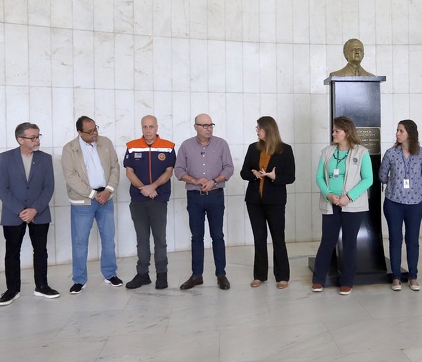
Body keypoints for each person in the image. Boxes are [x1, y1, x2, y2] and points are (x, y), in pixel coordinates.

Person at [0, 122, 58, 305]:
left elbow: (49, 187)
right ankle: (12, 290)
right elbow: (2, 188)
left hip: (40, 213)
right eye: (33, 137)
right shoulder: (6, 158)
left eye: (38, 136)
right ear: (20, 139)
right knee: (12, 252)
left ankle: (42, 286)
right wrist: (21, 211)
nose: (37, 140)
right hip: (13, 215)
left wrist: (35, 209)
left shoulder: (45, 159)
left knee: (41, 251)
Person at [312, 116, 374, 295]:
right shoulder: (326, 152)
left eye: (336, 131)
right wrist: (329, 195)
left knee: (349, 243)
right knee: (327, 241)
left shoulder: (361, 152)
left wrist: (349, 197)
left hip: (352, 206)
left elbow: (368, 179)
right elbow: (319, 177)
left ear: (346, 132)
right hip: (331, 204)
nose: (333, 133)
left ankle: (347, 281)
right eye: (333, 130)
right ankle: (318, 279)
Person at [61, 115, 122, 294]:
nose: (94, 133)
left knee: (109, 240)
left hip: (106, 197)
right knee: (80, 242)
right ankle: (79, 279)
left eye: (96, 129)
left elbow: (115, 168)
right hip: (83, 201)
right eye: (89, 131)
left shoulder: (106, 143)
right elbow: (70, 176)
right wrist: (93, 194)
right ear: (79, 132)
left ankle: (110, 274)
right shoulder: (69, 149)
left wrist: (108, 190)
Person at [174, 113, 234, 290]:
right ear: (195, 127)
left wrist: (214, 181)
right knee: (197, 237)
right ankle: (196, 275)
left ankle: (221, 274)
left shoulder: (221, 144)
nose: (209, 128)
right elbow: (178, 170)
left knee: (217, 236)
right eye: (204, 125)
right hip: (194, 197)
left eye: (211, 125)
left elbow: (229, 168)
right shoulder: (186, 146)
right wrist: (194, 181)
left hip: (215, 195)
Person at [240, 116, 296, 288]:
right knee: (259, 238)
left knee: (278, 238)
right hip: (254, 201)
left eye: (259, 128)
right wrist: (254, 173)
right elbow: (243, 172)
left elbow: (290, 177)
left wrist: (274, 177)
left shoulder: (285, 150)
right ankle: (259, 275)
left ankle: (282, 276)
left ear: (268, 129)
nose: (257, 131)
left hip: (275, 202)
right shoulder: (252, 148)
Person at [123, 115, 175, 290]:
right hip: (138, 200)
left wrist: (153, 187)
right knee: (142, 239)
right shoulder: (131, 147)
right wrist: (143, 188)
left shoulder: (168, 147)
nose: (148, 130)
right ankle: (142, 274)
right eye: (144, 127)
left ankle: (162, 274)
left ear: (157, 127)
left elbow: (169, 171)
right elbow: (129, 172)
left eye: (151, 126)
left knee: (160, 239)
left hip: (159, 199)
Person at [379, 120, 422, 291]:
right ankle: (396, 277)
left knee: (412, 240)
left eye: (401, 131)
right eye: (397, 130)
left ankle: (413, 277)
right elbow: (382, 175)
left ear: (410, 133)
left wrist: (412, 186)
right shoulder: (391, 153)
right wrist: (394, 183)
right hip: (393, 202)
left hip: (415, 203)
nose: (397, 133)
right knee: (395, 240)